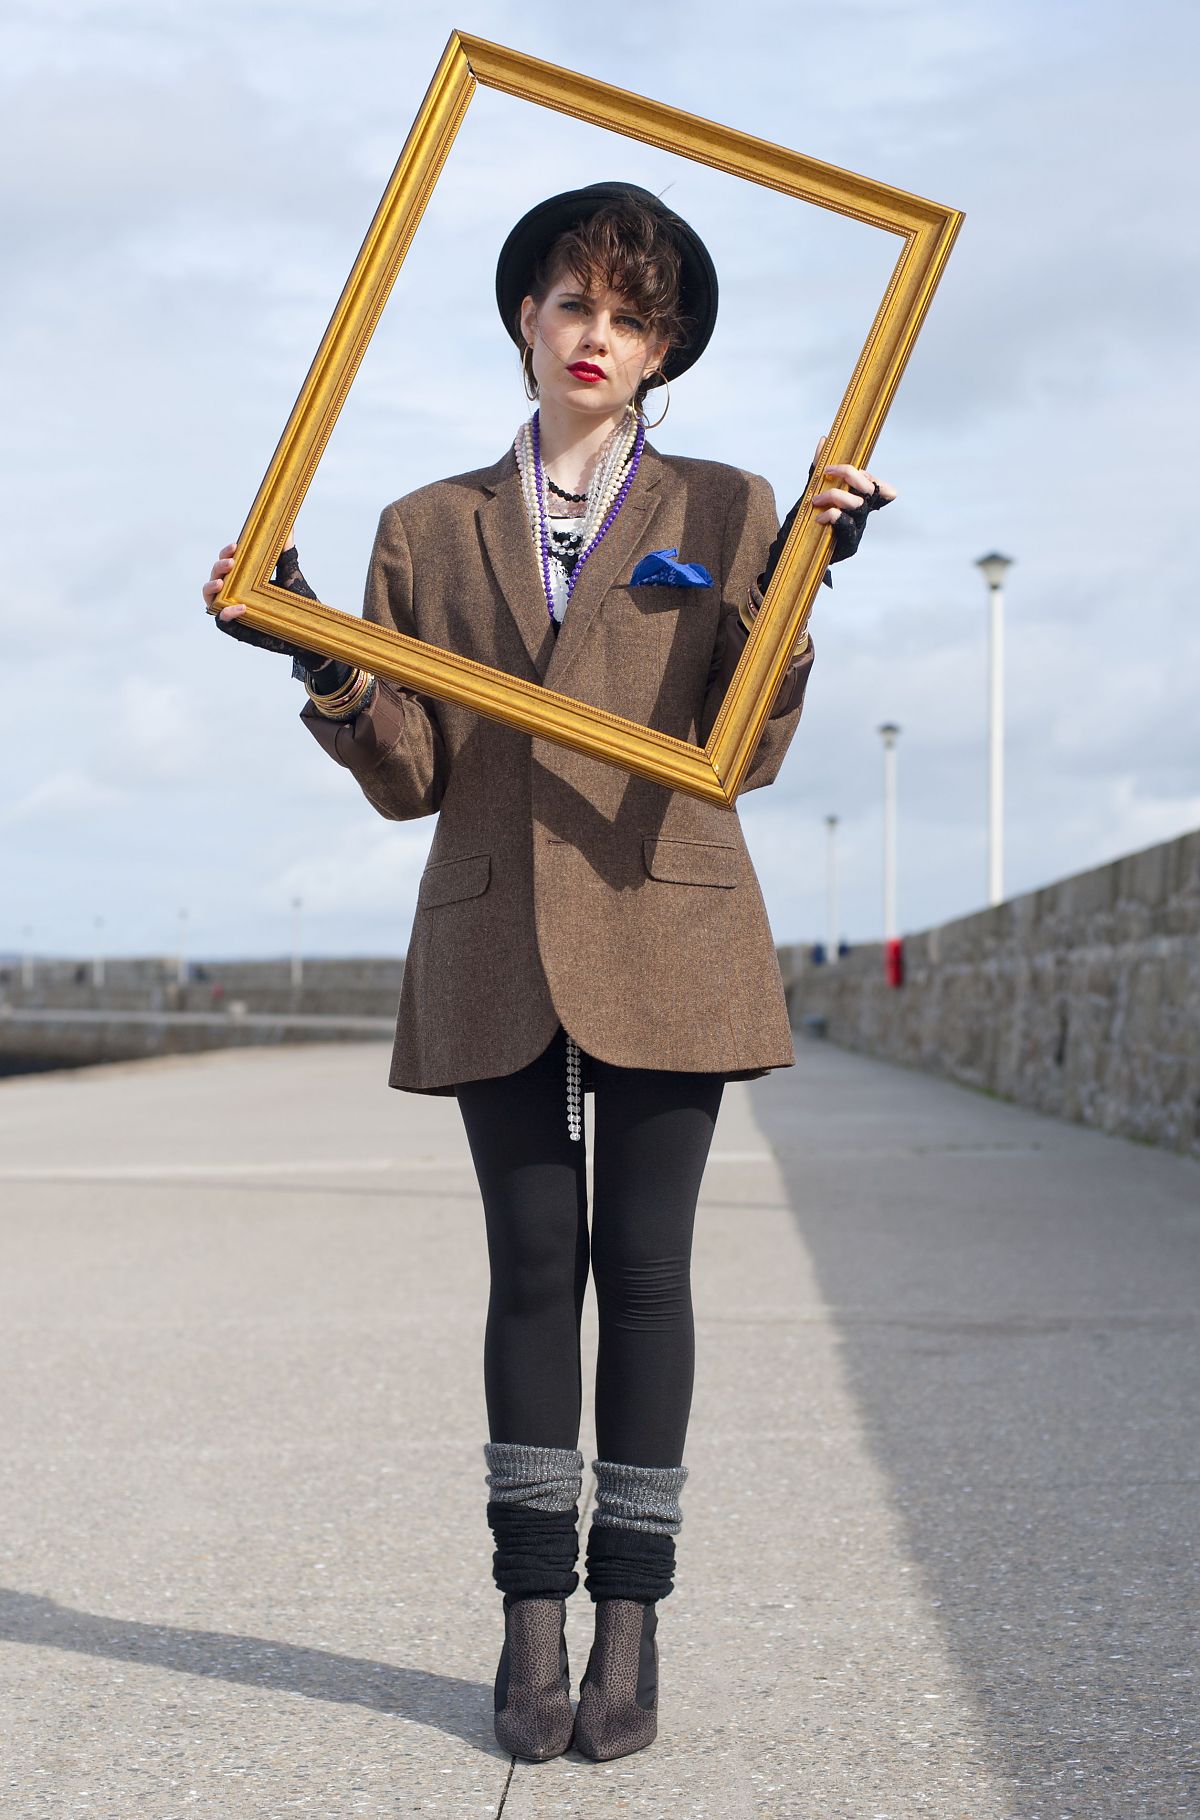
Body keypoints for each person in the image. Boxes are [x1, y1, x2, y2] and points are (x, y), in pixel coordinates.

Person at [203, 181, 895, 1765]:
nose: (600, 336)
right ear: (527, 316)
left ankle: (631, 1625)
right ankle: (529, 1623)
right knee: (531, 1271)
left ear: (665, 351)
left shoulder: (730, 509)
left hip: (671, 918)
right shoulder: (423, 528)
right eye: (576, 304)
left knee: (648, 1273)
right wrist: (320, 656)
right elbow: (413, 771)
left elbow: (749, 747)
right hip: (493, 929)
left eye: (632, 316)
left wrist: (804, 584)